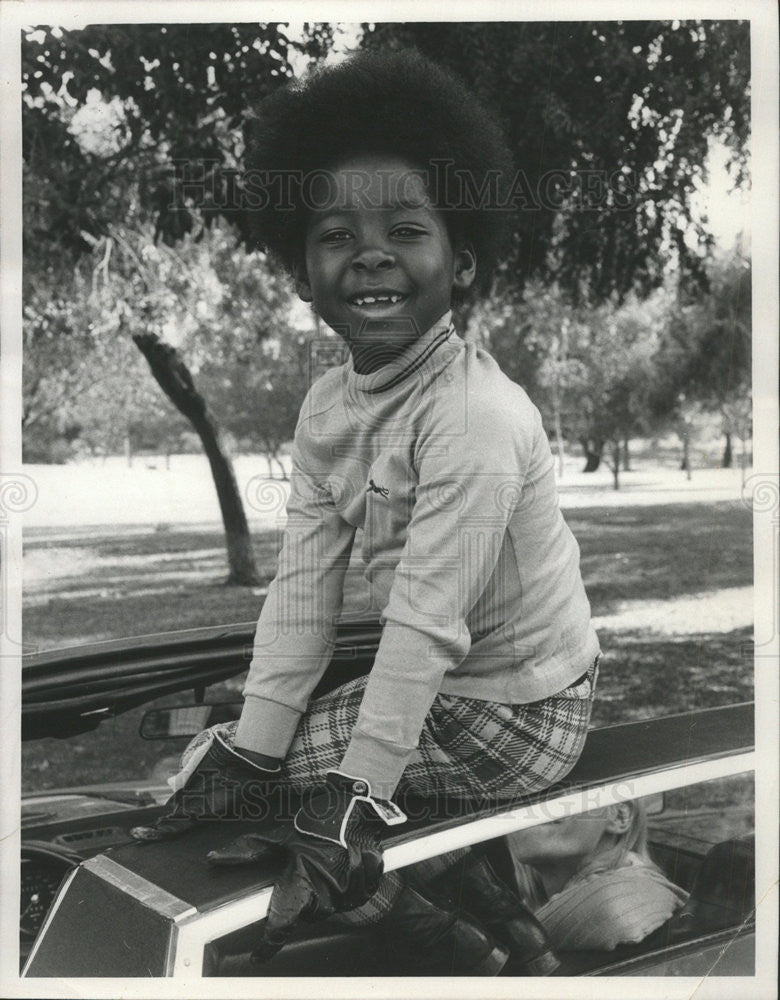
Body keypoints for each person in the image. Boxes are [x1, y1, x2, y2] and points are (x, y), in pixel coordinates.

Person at [132, 49, 601, 974]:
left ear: (462, 265)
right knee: (250, 760)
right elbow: (304, 591)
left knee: (275, 787)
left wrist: (335, 784)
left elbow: (425, 622)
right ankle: (503, 933)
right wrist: (255, 752)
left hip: (525, 707)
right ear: (303, 278)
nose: (372, 251)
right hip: (460, 683)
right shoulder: (327, 407)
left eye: (405, 230)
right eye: (336, 235)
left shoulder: (473, 416)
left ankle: (451, 946)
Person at [504, 799, 688, 951]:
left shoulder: (621, 902)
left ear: (619, 815)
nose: (526, 803)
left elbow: (612, 913)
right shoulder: (526, 906)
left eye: (559, 792)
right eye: (513, 794)